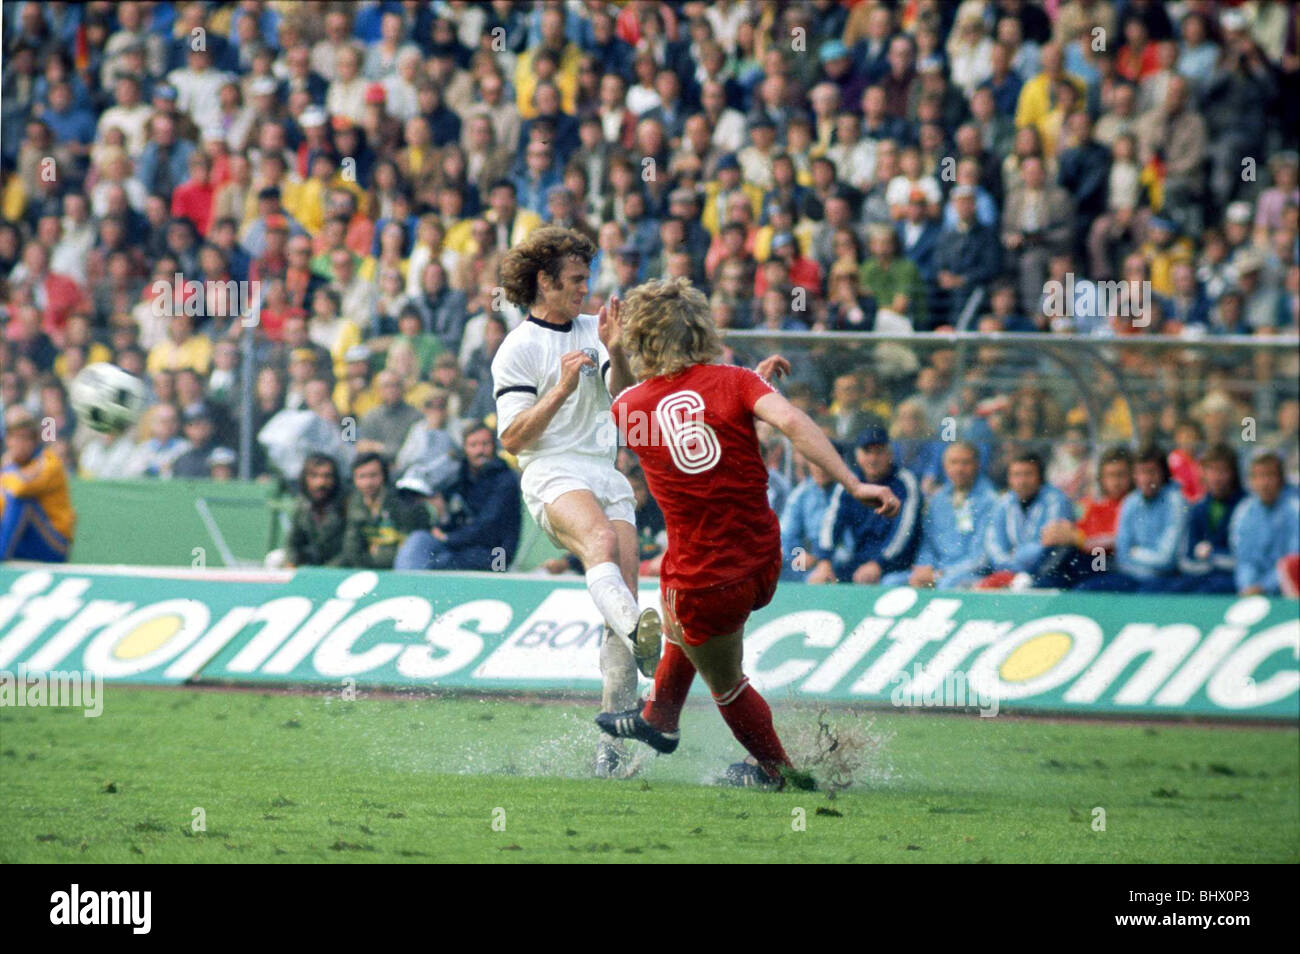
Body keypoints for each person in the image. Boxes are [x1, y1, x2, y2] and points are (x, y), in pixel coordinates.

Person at [597, 277, 899, 788]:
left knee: (725, 681)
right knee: (675, 622)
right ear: (700, 329)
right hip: (762, 557)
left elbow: (626, 392)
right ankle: (660, 716)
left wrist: (612, 349)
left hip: (706, 575)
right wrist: (852, 482)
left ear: (642, 341)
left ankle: (776, 772)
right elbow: (793, 422)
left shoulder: (632, 408)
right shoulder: (737, 381)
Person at [490, 225, 661, 778]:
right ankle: (646, 638)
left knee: (621, 602)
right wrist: (561, 389)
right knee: (602, 544)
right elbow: (513, 438)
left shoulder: (594, 329)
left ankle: (610, 749)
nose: (584, 290)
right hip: (550, 470)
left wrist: (615, 350)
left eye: (586, 279)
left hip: (605, 472)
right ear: (543, 282)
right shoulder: (517, 348)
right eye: (574, 280)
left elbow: (624, 401)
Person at [393, 423, 521, 571]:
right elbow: (450, 518)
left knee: (440, 561)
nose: (480, 450)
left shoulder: (505, 480)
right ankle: (404, 588)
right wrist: (442, 514)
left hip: (496, 555)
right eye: (473, 445)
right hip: (461, 546)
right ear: (464, 449)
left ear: (494, 447)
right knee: (419, 540)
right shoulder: (460, 474)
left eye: (485, 444)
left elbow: (487, 526)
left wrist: (449, 539)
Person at [807, 425, 920, 585]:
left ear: (890, 454)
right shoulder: (849, 482)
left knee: (889, 582)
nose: (873, 459)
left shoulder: (905, 482)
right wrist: (824, 561)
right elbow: (831, 522)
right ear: (858, 455)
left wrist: (879, 564)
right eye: (867, 452)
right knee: (817, 578)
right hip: (858, 561)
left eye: (879, 452)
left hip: (897, 564)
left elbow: (905, 531)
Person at [886, 441, 998, 590]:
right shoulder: (938, 500)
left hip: (967, 574)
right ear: (945, 467)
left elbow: (982, 558)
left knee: (946, 585)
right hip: (936, 571)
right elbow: (927, 544)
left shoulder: (990, 500)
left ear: (977, 465)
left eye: (965, 463)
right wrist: (924, 569)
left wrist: (941, 574)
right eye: (954, 463)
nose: (959, 469)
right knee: (890, 582)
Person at [1078, 445, 1190, 592]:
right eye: (1140, 472)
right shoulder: (1131, 501)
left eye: (1151, 472)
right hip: (1132, 575)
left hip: (1165, 579)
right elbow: (1122, 554)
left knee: (1145, 593)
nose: (1146, 479)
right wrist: (1134, 558)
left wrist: (1135, 553)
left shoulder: (1175, 502)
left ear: (1163, 473)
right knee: (1087, 588)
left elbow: (1167, 560)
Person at [0, 408, 75, 562]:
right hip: (23, 544)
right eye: (15, 437)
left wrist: (8, 470)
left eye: (26, 438)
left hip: (54, 546)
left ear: (35, 441)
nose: (20, 444)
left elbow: (20, 488)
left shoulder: (49, 462)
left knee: (22, 502)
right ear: (8, 440)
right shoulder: (13, 467)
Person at [339, 452, 431, 569]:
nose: (368, 483)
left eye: (373, 476)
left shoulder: (402, 501)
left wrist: (378, 554)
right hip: (368, 568)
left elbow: (411, 546)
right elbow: (352, 547)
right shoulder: (355, 502)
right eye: (362, 477)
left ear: (384, 475)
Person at [1174, 444, 1245, 594]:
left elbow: (1244, 559)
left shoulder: (1245, 506)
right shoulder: (1198, 508)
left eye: (1222, 471)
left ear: (1233, 474)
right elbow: (1187, 556)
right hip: (1201, 576)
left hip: (1232, 579)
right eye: (1211, 470)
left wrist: (1212, 556)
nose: (1216, 477)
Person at [1230, 452, 1300, 596]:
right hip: (1252, 590)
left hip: (1290, 591)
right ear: (1251, 481)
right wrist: (1248, 586)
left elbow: (1294, 561)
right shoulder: (1243, 513)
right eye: (1258, 476)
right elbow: (1244, 560)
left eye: (1270, 475)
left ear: (1280, 480)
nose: (1264, 483)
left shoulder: (1295, 511)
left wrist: (1264, 587)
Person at [284, 452, 348, 568]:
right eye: (314, 476)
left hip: (339, 569)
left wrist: (322, 574)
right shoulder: (302, 505)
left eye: (327, 476)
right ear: (305, 478)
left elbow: (349, 550)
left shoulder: (346, 505)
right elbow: (293, 543)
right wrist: (292, 564)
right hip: (311, 565)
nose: (320, 483)